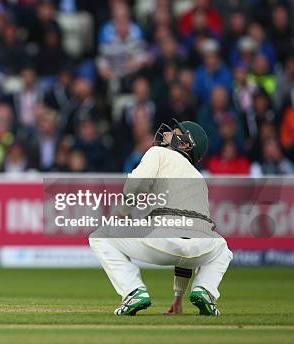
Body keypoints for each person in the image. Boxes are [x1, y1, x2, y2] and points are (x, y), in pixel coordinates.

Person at [90, 119, 232, 316]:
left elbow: (135, 186)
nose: (167, 135)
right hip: (201, 246)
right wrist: (178, 297)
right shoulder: (200, 179)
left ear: (185, 143)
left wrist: (123, 212)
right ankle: (205, 290)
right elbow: (186, 249)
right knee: (222, 248)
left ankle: (133, 291)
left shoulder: (159, 153)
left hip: (163, 241)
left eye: (175, 133)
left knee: (99, 237)